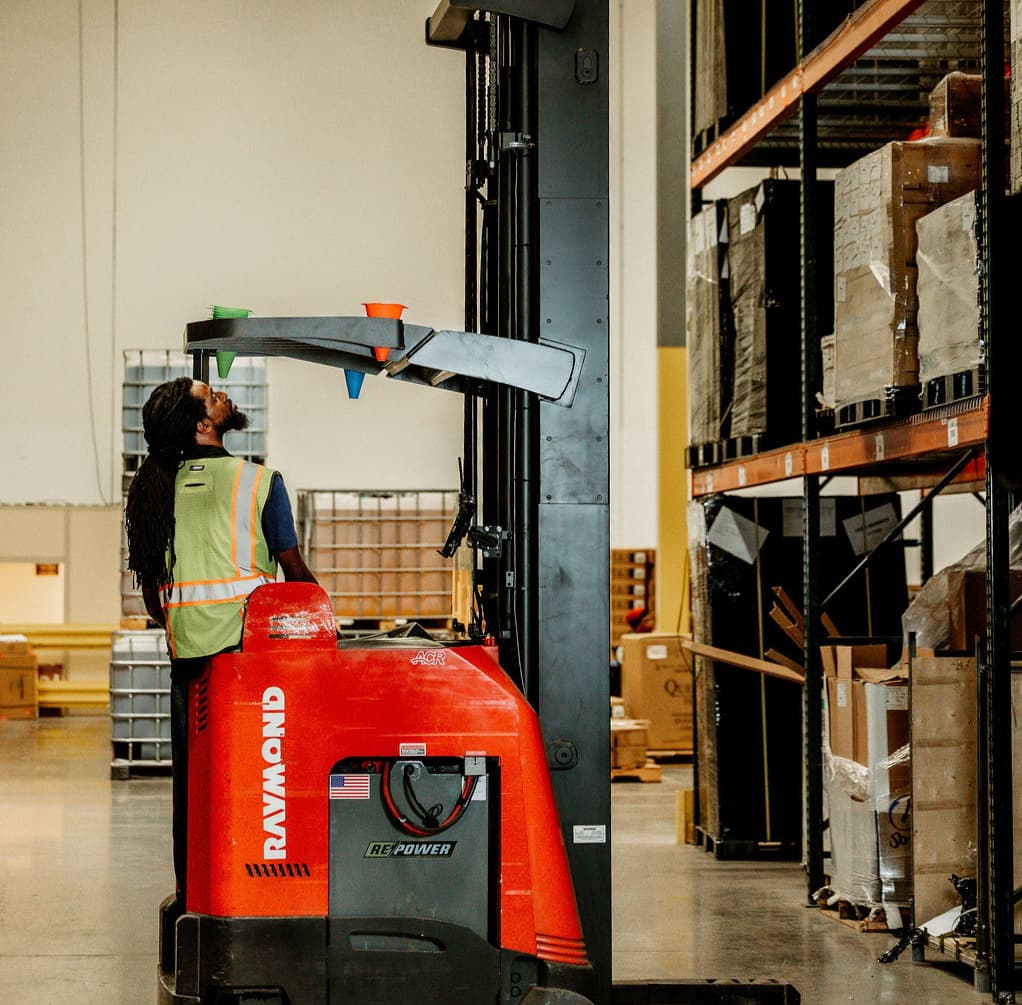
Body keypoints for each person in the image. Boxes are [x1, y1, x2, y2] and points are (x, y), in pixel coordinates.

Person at [124, 375, 317, 910]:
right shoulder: (259, 482)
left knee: (194, 793)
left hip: (190, 667)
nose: (224, 395)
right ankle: (254, 894)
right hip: (252, 669)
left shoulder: (154, 491)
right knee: (259, 786)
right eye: (212, 396)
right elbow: (295, 576)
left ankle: (195, 898)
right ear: (205, 424)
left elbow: (153, 604)